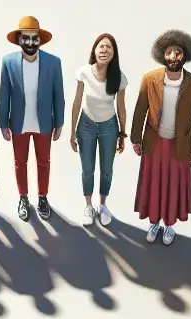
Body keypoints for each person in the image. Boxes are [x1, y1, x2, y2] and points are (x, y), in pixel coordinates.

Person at [130, 29, 191, 244]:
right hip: (154, 142)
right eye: (169, 52)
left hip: (179, 144)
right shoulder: (149, 79)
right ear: (162, 55)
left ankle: (169, 225)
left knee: (173, 185)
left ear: (185, 55)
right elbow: (140, 109)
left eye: (178, 52)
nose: (173, 57)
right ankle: (154, 222)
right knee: (153, 183)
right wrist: (136, 138)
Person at [0, 16, 66, 222]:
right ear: (19, 39)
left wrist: (60, 122)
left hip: (44, 122)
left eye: (34, 37)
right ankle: (23, 198)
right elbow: (4, 94)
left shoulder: (54, 62)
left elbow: (58, 93)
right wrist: (3, 122)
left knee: (44, 161)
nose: (30, 42)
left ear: (40, 39)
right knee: (20, 162)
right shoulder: (8, 62)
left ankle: (43, 197)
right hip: (18, 122)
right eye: (25, 37)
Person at [68, 33, 127, 227]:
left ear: (113, 53)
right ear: (94, 50)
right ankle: (88, 206)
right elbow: (77, 102)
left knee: (107, 170)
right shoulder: (84, 72)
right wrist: (72, 131)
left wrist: (122, 134)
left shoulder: (119, 77)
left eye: (108, 47)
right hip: (86, 125)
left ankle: (102, 206)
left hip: (109, 126)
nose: (104, 50)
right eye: (101, 46)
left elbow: (121, 107)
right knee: (87, 169)